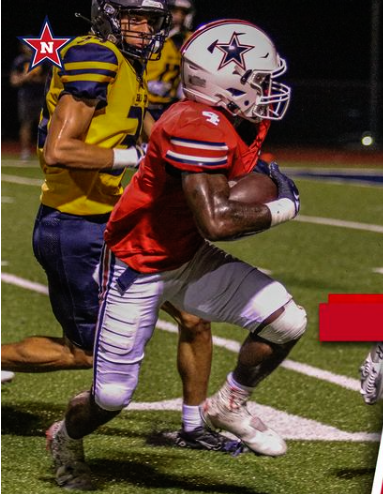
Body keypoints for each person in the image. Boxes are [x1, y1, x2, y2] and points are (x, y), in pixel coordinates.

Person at [47, 19, 304, 489]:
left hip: (187, 255)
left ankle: (228, 404)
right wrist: (283, 206)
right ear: (226, 82)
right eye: (259, 79)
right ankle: (64, 438)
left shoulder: (235, 119)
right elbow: (217, 222)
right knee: (110, 397)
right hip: (137, 265)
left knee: (287, 322)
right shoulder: (193, 125)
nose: (268, 89)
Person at [0, 0, 229, 453]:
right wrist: (134, 157)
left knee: (194, 317)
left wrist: (207, 157)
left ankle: (194, 426)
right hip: (74, 226)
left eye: (152, 20)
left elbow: (152, 134)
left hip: (115, 222)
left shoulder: (127, 63)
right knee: (83, 351)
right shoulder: (96, 55)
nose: (145, 29)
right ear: (108, 16)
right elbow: (60, 151)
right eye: (134, 18)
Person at [144, 0, 195, 120]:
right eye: (175, 12)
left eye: (182, 13)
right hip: (143, 100)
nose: (178, 17)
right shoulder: (149, 34)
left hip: (167, 104)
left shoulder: (188, 39)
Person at [9, 44, 48, 160]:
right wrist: (25, 77)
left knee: (45, 124)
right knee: (26, 124)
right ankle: (25, 151)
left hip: (42, 96)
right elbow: (14, 81)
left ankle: (45, 150)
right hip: (26, 97)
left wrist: (35, 79)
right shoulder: (19, 61)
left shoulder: (43, 60)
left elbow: (49, 79)